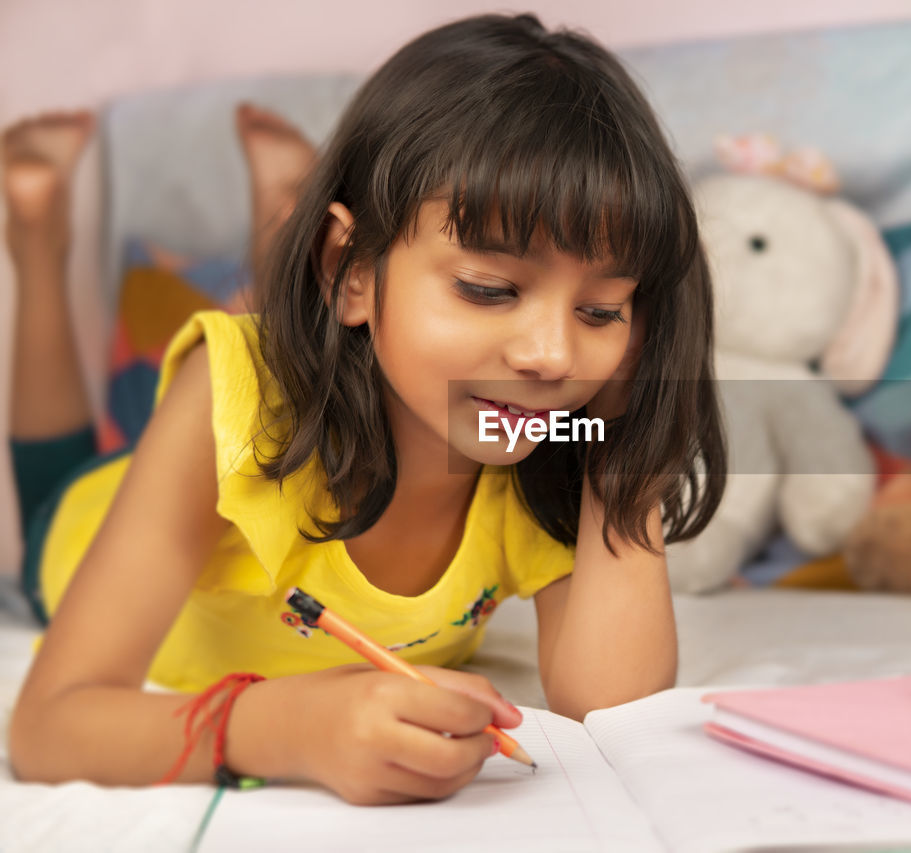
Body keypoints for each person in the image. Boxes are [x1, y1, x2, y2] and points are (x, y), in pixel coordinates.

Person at [5, 13, 725, 805]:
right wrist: (286, 727)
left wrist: (625, 450)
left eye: (602, 311)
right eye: (489, 289)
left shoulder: (547, 443)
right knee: (60, 477)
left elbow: (613, 715)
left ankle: (284, 210)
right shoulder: (227, 391)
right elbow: (47, 728)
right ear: (347, 267)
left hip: (320, 380)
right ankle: (39, 236)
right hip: (90, 523)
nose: (551, 356)